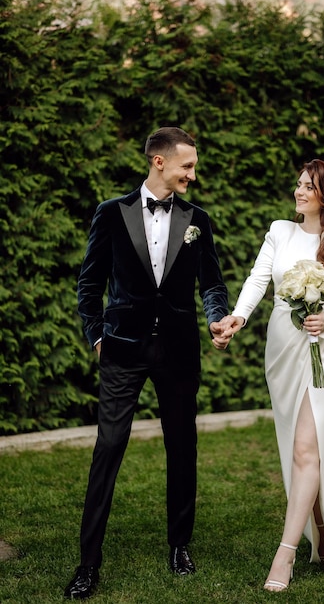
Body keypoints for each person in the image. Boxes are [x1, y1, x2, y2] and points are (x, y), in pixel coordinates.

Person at [64, 127, 230, 600]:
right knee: (108, 449)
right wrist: (97, 336)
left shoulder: (198, 219)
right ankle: (88, 564)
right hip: (122, 349)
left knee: (182, 449)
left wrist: (217, 319)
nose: (192, 175)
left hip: (178, 352)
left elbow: (212, 285)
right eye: (188, 166)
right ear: (160, 162)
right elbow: (89, 283)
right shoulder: (110, 213)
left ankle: (180, 545)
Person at [218, 159, 324, 592]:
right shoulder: (280, 230)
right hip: (284, 348)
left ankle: (285, 554)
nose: (299, 192)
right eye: (298, 184)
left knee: (307, 447)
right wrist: (237, 316)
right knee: (296, 447)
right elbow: (258, 279)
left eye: (308, 186)